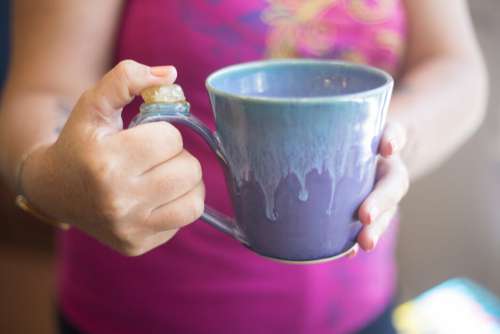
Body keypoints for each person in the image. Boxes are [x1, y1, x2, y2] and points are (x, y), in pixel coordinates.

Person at [0, 1, 487, 333]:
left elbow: (455, 66)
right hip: (141, 315)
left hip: (357, 311)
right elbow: (41, 93)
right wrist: (49, 176)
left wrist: (387, 140)